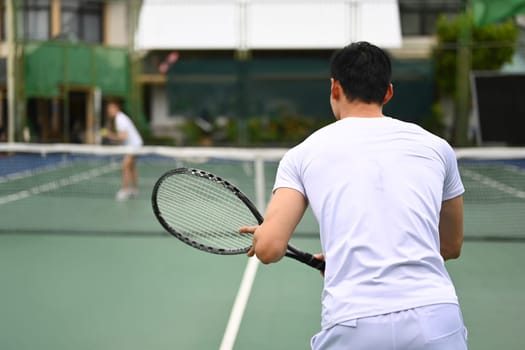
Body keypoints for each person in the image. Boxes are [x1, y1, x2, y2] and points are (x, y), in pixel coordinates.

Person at [239, 42, 467, 350]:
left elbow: (268, 249)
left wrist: (265, 235)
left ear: (334, 88)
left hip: (355, 322)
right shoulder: (438, 148)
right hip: (437, 318)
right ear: (388, 92)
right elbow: (450, 246)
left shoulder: (302, 155)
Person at [105, 100, 143, 200]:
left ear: (116, 108)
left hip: (134, 146)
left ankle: (125, 190)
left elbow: (123, 136)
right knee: (131, 167)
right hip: (136, 144)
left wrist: (110, 135)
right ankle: (134, 190)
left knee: (125, 166)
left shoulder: (119, 119)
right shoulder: (120, 117)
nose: (109, 111)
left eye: (110, 108)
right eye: (108, 109)